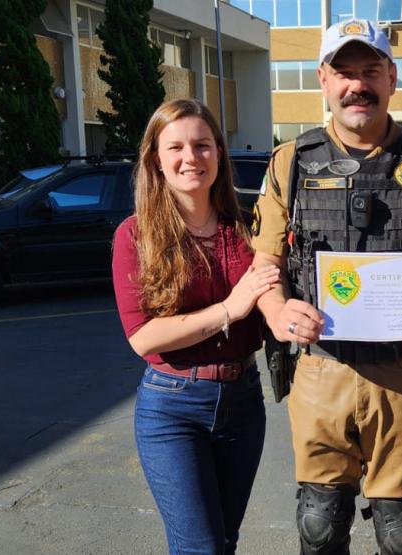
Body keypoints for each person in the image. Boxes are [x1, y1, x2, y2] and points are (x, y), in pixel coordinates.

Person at [250, 19, 402, 555]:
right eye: (344, 72)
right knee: (319, 524)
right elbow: (265, 262)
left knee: (400, 531)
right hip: (322, 368)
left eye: (370, 70)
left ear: (392, 77)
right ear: (323, 79)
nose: (357, 85)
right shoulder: (292, 162)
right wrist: (276, 310)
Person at [111, 98, 279, 554]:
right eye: (177, 147)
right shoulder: (135, 235)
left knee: (225, 540)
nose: (191, 158)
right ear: (155, 159)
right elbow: (143, 336)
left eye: (203, 145)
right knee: (199, 548)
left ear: (219, 154)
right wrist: (231, 308)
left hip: (244, 399)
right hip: (172, 406)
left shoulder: (249, 226)